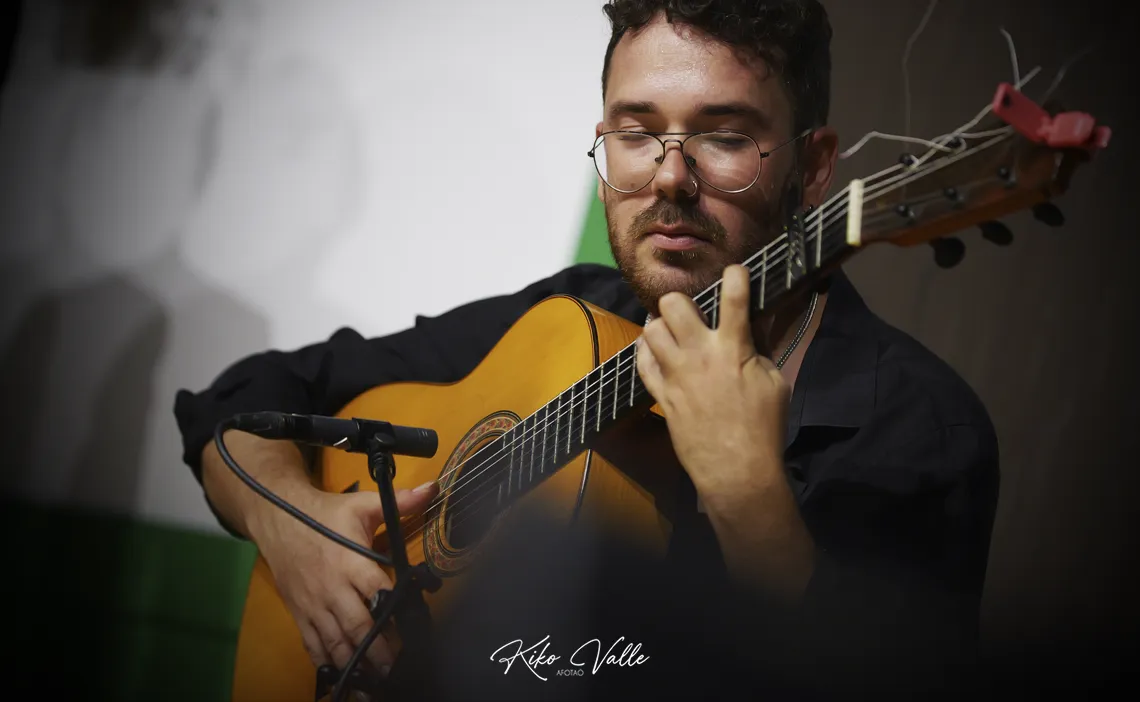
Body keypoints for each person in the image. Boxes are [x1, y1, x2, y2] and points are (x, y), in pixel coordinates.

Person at [174, 0, 999, 695]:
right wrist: (294, 524)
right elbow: (241, 402)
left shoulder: (916, 426)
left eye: (723, 136)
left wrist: (749, 493)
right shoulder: (573, 315)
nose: (669, 177)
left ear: (813, 168)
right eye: (637, 133)